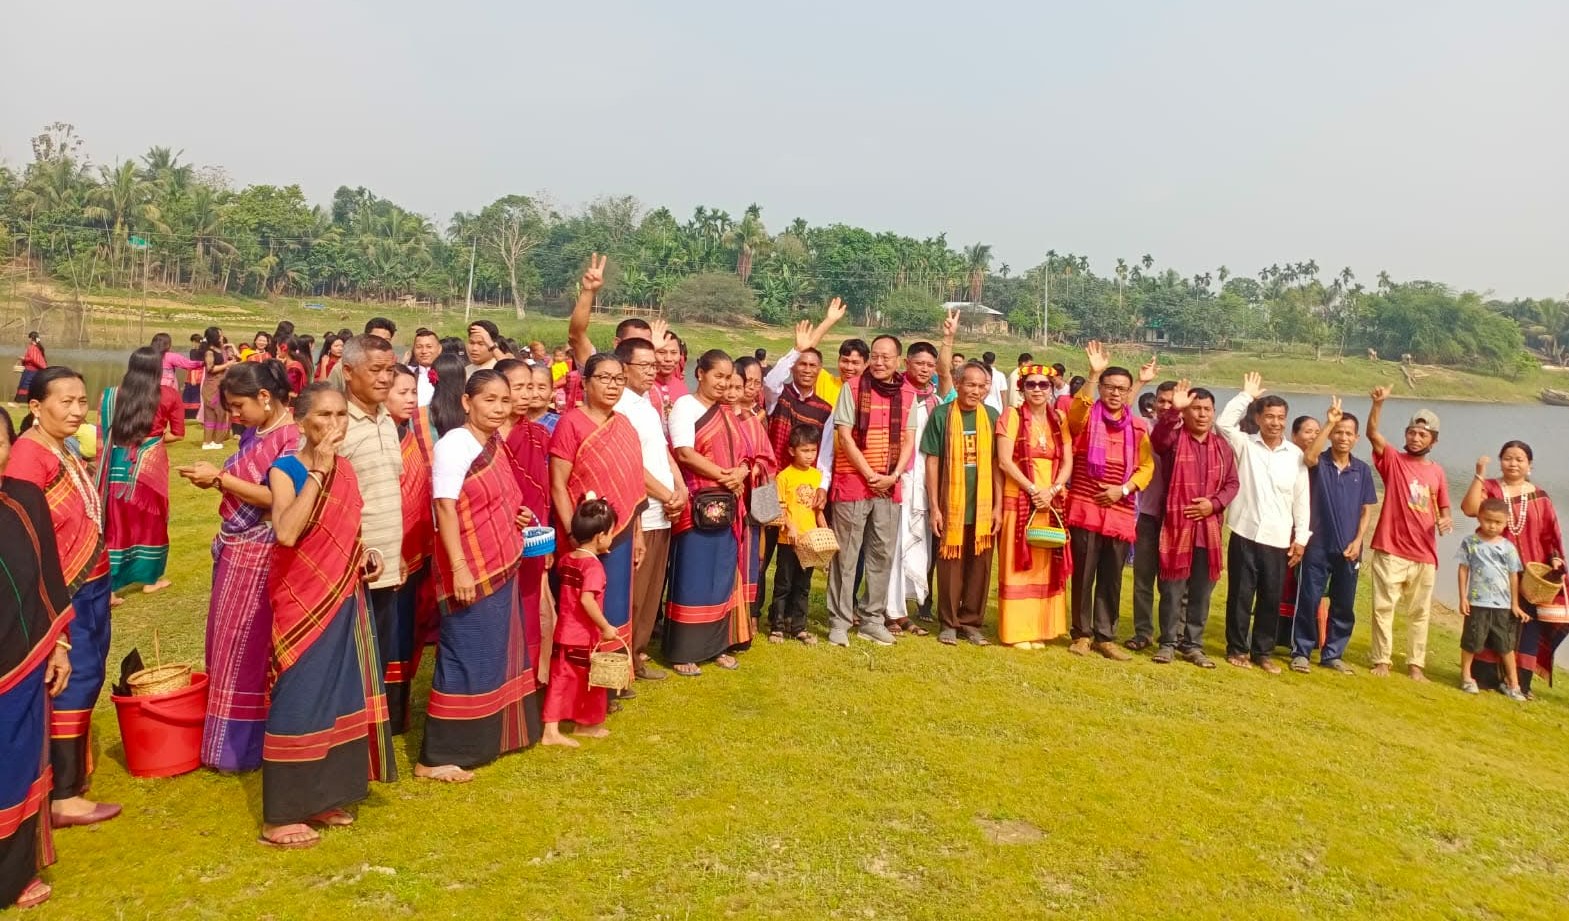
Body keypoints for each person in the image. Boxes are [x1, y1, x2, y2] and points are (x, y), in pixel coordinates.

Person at [259, 383, 396, 848]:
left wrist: (365, 556)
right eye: (323, 416)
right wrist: (316, 472)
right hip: (302, 600)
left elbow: (348, 531)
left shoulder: (349, 471)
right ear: (302, 423)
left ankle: (327, 793)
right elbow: (286, 533)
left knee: (340, 694)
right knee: (300, 696)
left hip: (343, 594)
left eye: (341, 415)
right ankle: (280, 814)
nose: (334, 425)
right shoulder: (286, 469)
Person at [7, 367, 118, 826]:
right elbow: (29, 537)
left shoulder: (61, 446)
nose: (77, 411)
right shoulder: (29, 457)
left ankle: (70, 779)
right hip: (62, 589)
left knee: (88, 674)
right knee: (70, 678)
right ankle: (63, 794)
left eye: (81, 401)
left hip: (90, 579)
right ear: (36, 407)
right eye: (65, 402)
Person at [419, 370, 539, 783]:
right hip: (470, 565)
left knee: (491, 652)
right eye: (489, 399)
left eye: (504, 401)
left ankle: (484, 740)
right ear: (467, 402)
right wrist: (459, 567)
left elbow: (497, 497)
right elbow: (445, 508)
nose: (499, 408)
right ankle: (437, 756)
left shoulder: (492, 444)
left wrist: (517, 515)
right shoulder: (456, 444)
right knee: (464, 654)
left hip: (500, 558)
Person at [178, 360, 299, 772]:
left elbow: (279, 500)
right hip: (237, 548)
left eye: (237, 405)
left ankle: (245, 747)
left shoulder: (292, 438)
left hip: (263, 551)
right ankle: (223, 745)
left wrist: (219, 480)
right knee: (225, 643)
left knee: (250, 646)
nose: (233, 415)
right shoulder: (256, 432)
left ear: (265, 398)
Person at [0, 411, 74, 910]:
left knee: (16, 759)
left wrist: (60, 645)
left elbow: (48, 576)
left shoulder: (24, 501)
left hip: (21, 658)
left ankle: (14, 872)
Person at [549, 350, 645, 677]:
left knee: (617, 603)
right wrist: (575, 535)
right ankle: (582, 681)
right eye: (604, 378)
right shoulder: (570, 423)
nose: (613, 386)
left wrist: (639, 533)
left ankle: (615, 676)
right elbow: (559, 486)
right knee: (585, 607)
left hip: (620, 536)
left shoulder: (625, 424)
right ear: (586, 382)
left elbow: (633, 483)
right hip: (586, 538)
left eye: (619, 379)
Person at [1214, 373, 1310, 672]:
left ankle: (1263, 652)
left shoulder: (1295, 455)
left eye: (1281, 418)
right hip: (1245, 531)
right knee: (1240, 595)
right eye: (1269, 416)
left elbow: (1301, 499)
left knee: (1270, 598)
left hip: (1279, 538)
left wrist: (1302, 537)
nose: (1275, 423)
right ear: (1258, 418)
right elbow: (1223, 424)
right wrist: (1246, 395)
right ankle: (1237, 649)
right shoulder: (1245, 444)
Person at [1065, 342, 1154, 660]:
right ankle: (1081, 634)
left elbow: (1146, 468)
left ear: (1128, 392)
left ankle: (1106, 636)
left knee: (1112, 576)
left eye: (1122, 389)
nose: (1116, 393)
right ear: (1101, 388)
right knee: (1084, 574)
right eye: (1110, 387)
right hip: (1086, 505)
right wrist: (1093, 373)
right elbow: (1074, 415)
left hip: (1119, 510)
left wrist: (1125, 489)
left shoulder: (1138, 427)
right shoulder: (1087, 418)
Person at [337, 335, 409, 730]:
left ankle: (369, 733)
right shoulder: (337, 424)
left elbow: (388, 489)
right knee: (350, 651)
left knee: (376, 651)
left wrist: (396, 553)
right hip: (353, 563)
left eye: (390, 370)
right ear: (348, 372)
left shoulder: (386, 419)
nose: (385, 379)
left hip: (386, 562)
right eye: (376, 370)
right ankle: (346, 731)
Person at [827, 334, 917, 647]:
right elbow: (845, 436)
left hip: (889, 486)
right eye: (875, 357)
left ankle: (873, 619)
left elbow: (909, 439)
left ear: (898, 361)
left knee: (881, 554)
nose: (879, 363)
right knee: (846, 555)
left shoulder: (908, 393)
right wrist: (869, 473)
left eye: (885, 358)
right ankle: (839, 621)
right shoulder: (852, 389)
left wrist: (892, 476)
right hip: (853, 481)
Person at [666, 350, 750, 673]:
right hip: (697, 504)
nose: (723, 383)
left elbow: (745, 453)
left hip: (728, 505)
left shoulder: (726, 412)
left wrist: (740, 473)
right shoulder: (686, 407)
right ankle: (684, 650)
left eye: (729, 377)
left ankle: (717, 645)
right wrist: (723, 475)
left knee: (722, 575)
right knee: (694, 576)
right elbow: (684, 453)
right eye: (718, 376)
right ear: (699, 373)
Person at [1459, 441, 1565, 696]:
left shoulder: (1540, 496)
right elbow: (1470, 509)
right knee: (1488, 624)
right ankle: (1484, 677)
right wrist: (1479, 475)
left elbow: (1550, 535)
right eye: (1508, 458)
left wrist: (1555, 560)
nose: (1513, 463)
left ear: (1529, 465)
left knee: (1525, 627)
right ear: (1500, 461)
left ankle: (1519, 683)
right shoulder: (1492, 488)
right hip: (1493, 575)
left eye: (1519, 459)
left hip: (1530, 576)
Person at [1365, 387, 1453, 680]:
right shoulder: (1393, 460)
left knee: (1420, 613)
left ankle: (1416, 665)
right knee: (1383, 607)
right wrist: (1378, 404)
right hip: (1391, 548)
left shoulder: (1437, 471)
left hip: (1424, 554)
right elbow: (1373, 434)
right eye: (1412, 433)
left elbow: (1443, 507)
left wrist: (1446, 521)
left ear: (1434, 441)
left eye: (1423, 435)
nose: (1415, 438)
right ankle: (1381, 661)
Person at [1149, 383, 1238, 667]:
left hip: (1208, 531)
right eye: (1196, 409)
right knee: (1172, 590)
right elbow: (1158, 438)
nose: (1202, 415)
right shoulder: (1174, 440)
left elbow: (1232, 483)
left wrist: (1213, 504)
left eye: (1207, 409)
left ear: (1214, 413)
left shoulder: (1223, 447)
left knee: (1201, 592)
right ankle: (1167, 643)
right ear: (1186, 413)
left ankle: (1194, 644)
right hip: (1178, 528)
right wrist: (1173, 408)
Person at [614, 339, 684, 681]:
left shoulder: (648, 403)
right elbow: (631, 465)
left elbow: (663, 451)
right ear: (624, 367)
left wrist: (680, 488)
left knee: (653, 590)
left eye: (653, 366)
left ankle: (638, 653)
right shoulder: (621, 406)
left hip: (664, 510)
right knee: (633, 593)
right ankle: (621, 660)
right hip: (641, 512)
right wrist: (666, 494)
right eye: (644, 365)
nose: (651, 371)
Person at [1291, 399, 1378, 674]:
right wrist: (1329, 422)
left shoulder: (1362, 470)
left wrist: (1358, 540)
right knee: (1309, 597)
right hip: (1318, 544)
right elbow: (1308, 457)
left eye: (1348, 433)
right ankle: (1302, 651)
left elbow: (1366, 511)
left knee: (1344, 603)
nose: (1342, 437)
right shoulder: (1320, 462)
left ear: (1356, 438)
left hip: (1349, 548)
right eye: (1338, 432)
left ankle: (1332, 654)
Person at [995, 363, 1074, 649]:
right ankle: (1017, 631)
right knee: (1017, 563)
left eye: (1043, 385)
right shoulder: (1011, 416)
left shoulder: (1060, 419)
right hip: (1019, 497)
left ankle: (1041, 628)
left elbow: (1067, 461)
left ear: (1052, 389)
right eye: (1031, 385)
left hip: (1050, 500)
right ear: (1022, 388)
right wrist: (1032, 490)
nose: (1037, 390)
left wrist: (1052, 491)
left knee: (1044, 563)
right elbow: (1004, 461)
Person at [923, 361, 1000, 646]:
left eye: (981, 386)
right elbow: (932, 460)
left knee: (980, 567)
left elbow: (997, 465)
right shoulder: (942, 415)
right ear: (957, 385)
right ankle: (949, 622)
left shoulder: (992, 416)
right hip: (951, 505)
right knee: (950, 567)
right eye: (970, 384)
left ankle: (971, 622)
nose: (976, 391)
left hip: (982, 507)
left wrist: (998, 506)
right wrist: (935, 506)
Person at [98, 347, 182, 596]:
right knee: (151, 522)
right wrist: (153, 440)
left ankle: (109, 590)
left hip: (116, 463)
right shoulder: (168, 395)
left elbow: (104, 432)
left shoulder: (111, 396)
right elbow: (177, 433)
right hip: (150, 468)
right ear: (158, 369)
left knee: (114, 522)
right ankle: (150, 579)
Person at [885, 333, 952, 634]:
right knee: (893, 545)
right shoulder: (896, 394)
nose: (925, 369)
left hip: (926, 482)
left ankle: (901, 609)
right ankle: (889, 609)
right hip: (901, 478)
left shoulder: (936, 399)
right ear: (907, 363)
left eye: (930, 364)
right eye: (919, 363)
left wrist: (948, 338)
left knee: (915, 545)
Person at [541, 496, 621, 747]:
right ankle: (578, 726)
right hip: (582, 635)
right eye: (611, 533)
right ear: (600, 537)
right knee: (590, 680)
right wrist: (605, 626)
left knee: (561, 678)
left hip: (563, 631)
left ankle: (556, 726)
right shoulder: (593, 568)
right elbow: (587, 600)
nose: (611, 538)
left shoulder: (567, 559)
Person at [496, 359, 553, 683]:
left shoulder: (538, 435)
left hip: (532, 537)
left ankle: (531, 677)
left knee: (532, 605)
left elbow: (542, 490)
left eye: (531, 386)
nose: (527, 394)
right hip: (493, 537)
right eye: (519, 387)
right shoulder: (481, 437)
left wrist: (545, 541)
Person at [386, 365, 438, 686]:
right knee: (390, 631)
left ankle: (399, 710)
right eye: (402, 393)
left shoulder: (411, 432)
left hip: (417, 546)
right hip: (390, 550)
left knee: (408, 628)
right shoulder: (379, 437)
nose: (410, 399)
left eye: (413, 392)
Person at [1455, 498, 1530, 700]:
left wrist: (1514, 604)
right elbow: (1463, 570)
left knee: (1506, 645)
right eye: (1488, 520)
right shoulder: (1470, 542)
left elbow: (1514, 575)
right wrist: (1463, 598)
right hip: (1477, 603)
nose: (1492, 526)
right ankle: (1466, 677)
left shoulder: (1508, 548)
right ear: (1479, 517)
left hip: (1503, 605)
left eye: (1498, 522)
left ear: (1505, 523)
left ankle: (1513, 684)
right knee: (1471, 641)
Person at [1129, 380, 1178, 651]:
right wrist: (1141, 382)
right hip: (1147, 514)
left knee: (1174, 583)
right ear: (1154, 403)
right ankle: (1142, 632)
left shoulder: (1187, 433)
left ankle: (1174, 634)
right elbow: (1121, 410)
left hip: (1177, 519)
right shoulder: (1143, 428)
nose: (1166, 407)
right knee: (1143, 578)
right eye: (1162, 401)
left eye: (1173, 402)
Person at [731, 356, 777, 642]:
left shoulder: (752, 419)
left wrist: (752, 467)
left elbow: (767, 459)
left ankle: (745, 618)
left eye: (755, 382)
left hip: (748, 503)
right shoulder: (715, 415)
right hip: (721, 502)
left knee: (750, 560)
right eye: (743, 382)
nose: (748, 388)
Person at [768, 424, 827, 644]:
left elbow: (817, 509)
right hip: (788, 540)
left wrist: (824, 529)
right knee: (784, 582)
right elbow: (781, 507)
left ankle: (799, 626)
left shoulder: (817, 476)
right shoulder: (784, 477)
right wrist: (790, 526)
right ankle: (777, 626)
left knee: (803, 585)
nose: (810, 455)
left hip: (809, 541)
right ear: (792, 451)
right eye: (805, 450)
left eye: (813, 450)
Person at [198, 326, 236, 449]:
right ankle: (209, 441)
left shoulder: (222, 350)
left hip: (222, 384)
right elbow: (210, 368)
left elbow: (236, 358)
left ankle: (215, 440)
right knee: (213, 412)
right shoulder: (209, 352)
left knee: (220, 412)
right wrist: (227, 365)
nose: (221, 337)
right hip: (213, 386)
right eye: (219, 335)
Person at [409, 327, 441, 407]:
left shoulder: (448, 374)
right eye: (419, 347)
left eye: (429, 347)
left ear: (439, 349)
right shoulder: (408, 373)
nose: (424, 351)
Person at [13, 332, 46, 404]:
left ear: (31, 339)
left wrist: (24, 358)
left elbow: (33, 359)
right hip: (34, 370)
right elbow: (35, 359)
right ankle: (22, 402)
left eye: (29, 338)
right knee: (28, 385)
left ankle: (20, 402)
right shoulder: (38, 347)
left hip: (30, 371)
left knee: (25, 385)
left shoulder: (33, 348)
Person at [182, 333, 206, 420]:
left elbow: (193, 364)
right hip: (201, 373)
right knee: (196, 393)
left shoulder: (193, 351)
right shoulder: (204, 351)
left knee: (192, 393)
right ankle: (194, 414)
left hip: (195, 373)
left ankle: (190, 414)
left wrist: (192, 377)